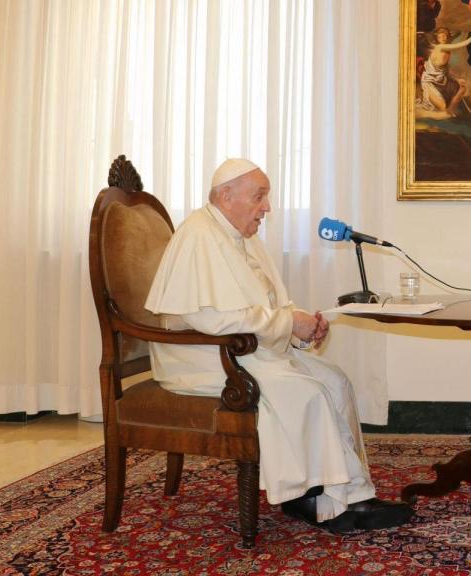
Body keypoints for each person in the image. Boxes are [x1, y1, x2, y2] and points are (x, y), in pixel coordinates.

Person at [144, 159, 413, 533]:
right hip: (201, 356)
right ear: (226, 196)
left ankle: (341, 495)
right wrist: (288, 323)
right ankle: (330, 509)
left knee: (334, 380)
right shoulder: (199, 234)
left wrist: (298, 326)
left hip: (239, 348)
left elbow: (260, 307)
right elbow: (211, 319)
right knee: (305, 392)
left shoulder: (242, 237)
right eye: (259, 197)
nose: (267, 208)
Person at [418, 27, 471, 120]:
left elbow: (446, 70)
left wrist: (457, 79)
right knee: (442, 106)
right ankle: (445, 109)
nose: (443, 38)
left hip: (442, 80)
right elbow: (457, 45)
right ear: (437, 39)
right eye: (440, 37)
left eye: (445, 36)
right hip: (429, 82)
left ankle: (450, 111)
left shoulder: (447, 51)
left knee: (463, 88)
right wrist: (470, 40)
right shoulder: (440, 47)